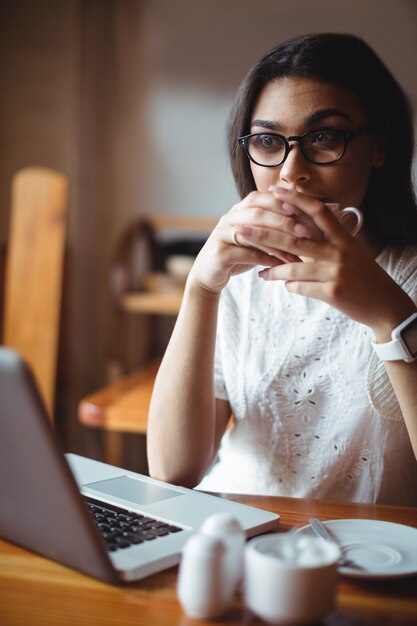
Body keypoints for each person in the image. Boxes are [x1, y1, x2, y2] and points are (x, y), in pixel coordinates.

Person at [147, 33, 417, 506]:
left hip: (365, 560)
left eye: (325, 137)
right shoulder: (241, 278)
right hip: (237, 538)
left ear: (381, 147)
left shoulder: (407, 276)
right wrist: (200, 288)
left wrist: (391, 318)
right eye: (270, 141)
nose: (292, 171)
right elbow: (172, 470)